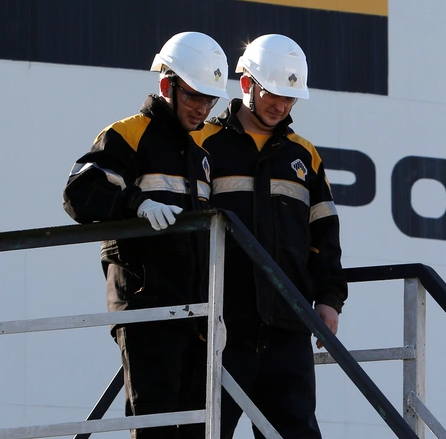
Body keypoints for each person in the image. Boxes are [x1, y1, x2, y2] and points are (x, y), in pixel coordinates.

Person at [63, 31, 230, 439]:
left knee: (195, 428)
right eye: (193, 96)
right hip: (145, 306)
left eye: (210, 100)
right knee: (153, 425)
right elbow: (79, 194)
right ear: (165, 85)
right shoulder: (127, 134)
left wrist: (217, 310)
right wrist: (135, 203)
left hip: (195, 314)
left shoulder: (200, 156)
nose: (202, 108)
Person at [194, 33, 346, 439]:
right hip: (220, 325)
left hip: (288, 325)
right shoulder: (202, 144)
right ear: (246, 84)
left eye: (290, 99)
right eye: (273, 95)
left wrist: (330, 300)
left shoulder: (304, 156)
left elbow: (325, 236)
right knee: (203, 431)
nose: (282, 106)